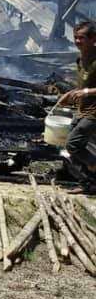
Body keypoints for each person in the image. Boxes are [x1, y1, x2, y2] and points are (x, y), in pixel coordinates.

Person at [58, 19, 96, 182]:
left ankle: (93, 165)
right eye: (75, 37)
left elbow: (86, 89)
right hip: (82, 110)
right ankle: (87, 183)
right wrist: (70, 94)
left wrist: (86, 92)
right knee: (70, 147)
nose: (77, 41)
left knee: (73, 145)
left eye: (82, 38)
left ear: (93, 38)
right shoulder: (80, 59)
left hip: (93, 113)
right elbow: (83, 84)